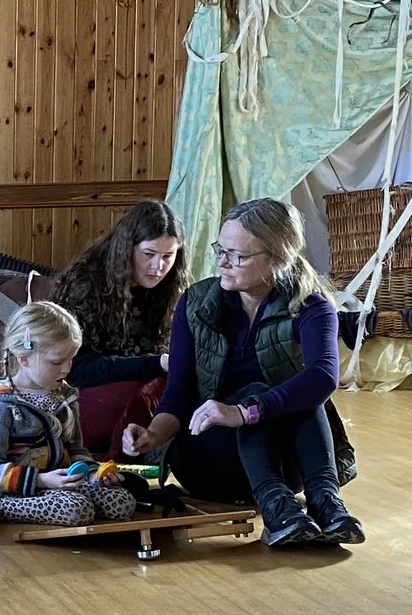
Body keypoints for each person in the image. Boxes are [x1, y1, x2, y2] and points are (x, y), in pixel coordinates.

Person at [122, 197, 362, 547]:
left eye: (237, 255)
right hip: (209, 462)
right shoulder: (195, 303)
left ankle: (325, 502)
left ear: (277, 258)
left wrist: (246, 412)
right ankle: (279, 508)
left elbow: (324, 377)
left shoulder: (312, 305)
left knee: (302, 394)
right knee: (256, 391)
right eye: (222, 249)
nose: (221, 261)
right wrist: (151, 435)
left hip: (286, 463)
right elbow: (179, 394)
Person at [0, 301, 140, 530]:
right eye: (57, 361)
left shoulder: (64, 397)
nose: (66, 369)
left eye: (71, 359)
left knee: (122, 502)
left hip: (60, 485)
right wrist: (40, 480)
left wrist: (92, 474)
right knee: (76, 509)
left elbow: (76, 450)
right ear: (24, 358)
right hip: (14, 492)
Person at [53, 197, 187, 386]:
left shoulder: (172, 287)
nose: (158, 266)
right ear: (126, 249)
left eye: (168, 256)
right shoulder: (85, 287)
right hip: (95, 393)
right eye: (149, 254)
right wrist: (156, 363)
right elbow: (76, 371)